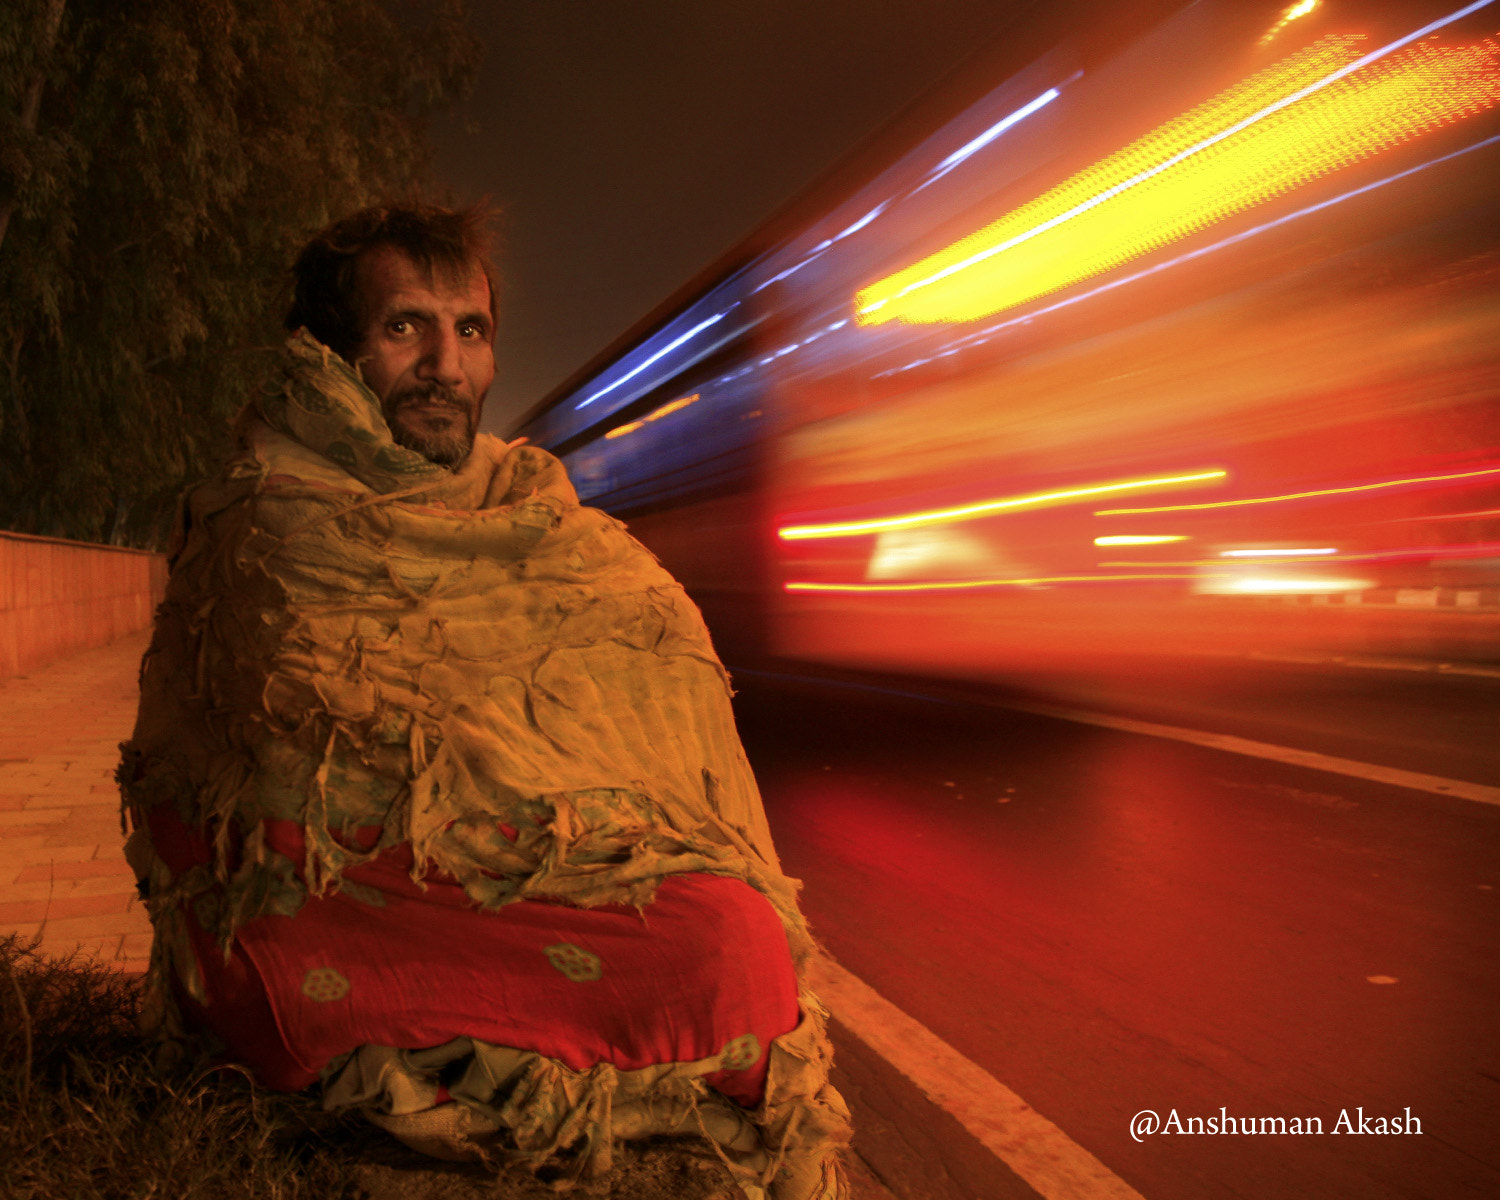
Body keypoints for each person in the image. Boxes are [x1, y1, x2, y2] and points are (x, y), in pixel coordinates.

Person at [119, 203, 849, 1198]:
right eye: (405, 326)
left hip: (539, 870)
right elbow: (266, 784)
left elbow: (658, 683)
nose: (445, 368)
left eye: (470, 331)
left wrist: (575, 833)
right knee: (712, 957)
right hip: (358, 898)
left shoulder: (539, 512)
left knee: (738, 945)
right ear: (332, 354)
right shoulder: (273, 518)